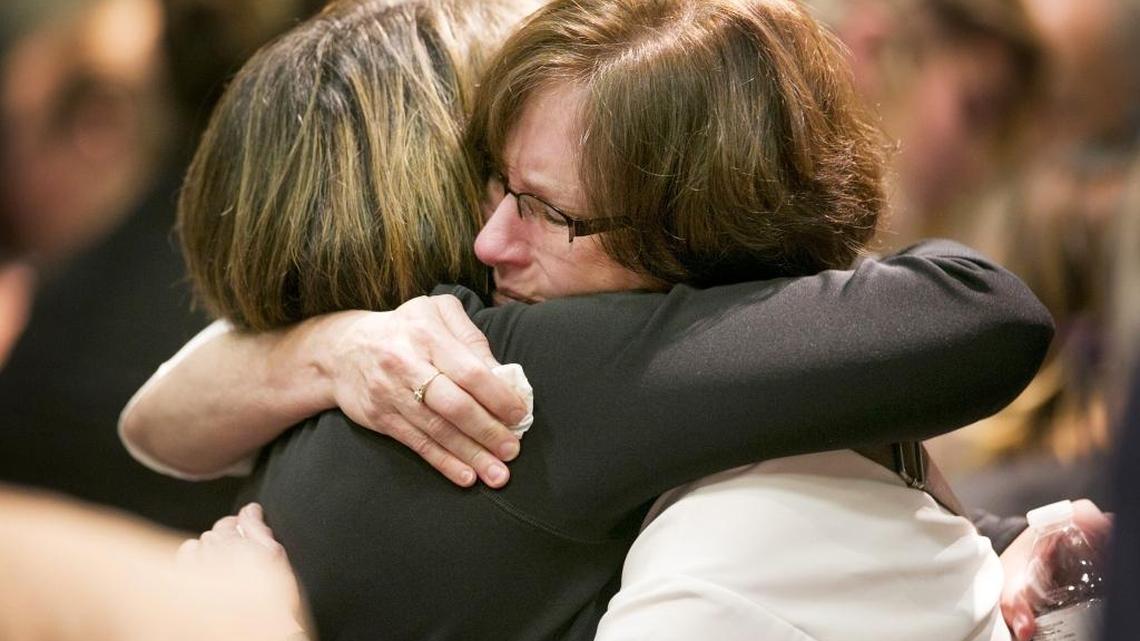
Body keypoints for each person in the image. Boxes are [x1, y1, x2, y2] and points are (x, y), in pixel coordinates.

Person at [122, 0, 1053, 639]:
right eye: (499, 175)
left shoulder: (321, 427)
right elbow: (984, 311)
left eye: (540, 201)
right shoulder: (509, 372)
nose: (495, 239)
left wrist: (324, 348)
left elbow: (152, 425)